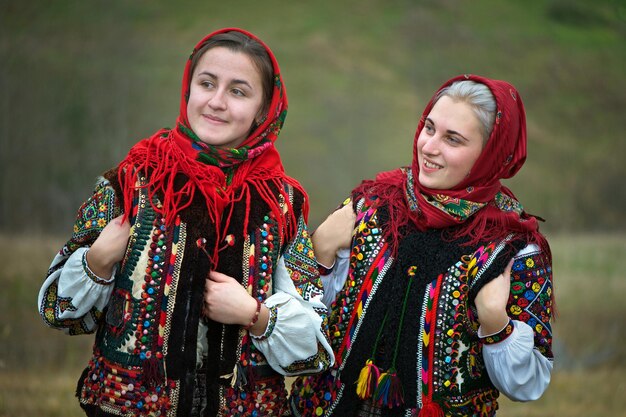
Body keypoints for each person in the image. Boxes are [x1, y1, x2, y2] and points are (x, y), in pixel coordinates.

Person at [37, 28, 333, 417]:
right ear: (188, 89)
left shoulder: (282, 205)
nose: (216, 102)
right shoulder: (131, 181)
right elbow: (57, 311)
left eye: (238, 91)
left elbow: (311, 351)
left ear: (265, 109)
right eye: (206, 83)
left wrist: (254, 315)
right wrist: (97, 261)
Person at [290, 74, 554, 417]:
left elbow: (529, 384)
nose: (429, 147)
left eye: (453, 140)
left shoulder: (511, 247)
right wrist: (322, 250)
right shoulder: (372, 204)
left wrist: (494, 321)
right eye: (429, 128)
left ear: (491, 153)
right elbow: (298, 322)